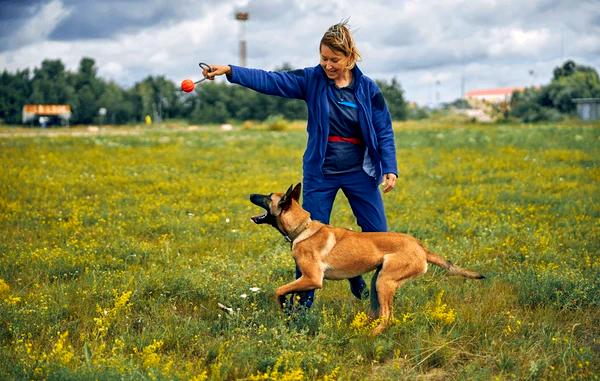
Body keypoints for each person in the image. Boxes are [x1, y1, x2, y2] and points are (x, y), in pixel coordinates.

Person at [205, 21, 398, 308]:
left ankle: (372, 299)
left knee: (378, 234)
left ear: (350, 57)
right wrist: (232, 71)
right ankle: (301, 309)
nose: (328, 65)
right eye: (323, 58)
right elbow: (272, 81)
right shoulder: (312, 79)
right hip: (321, 172)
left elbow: (383, 129)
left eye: (334, 59)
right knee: (306, 240)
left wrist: (389, 167)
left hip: (360, 171)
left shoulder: (368, 89)